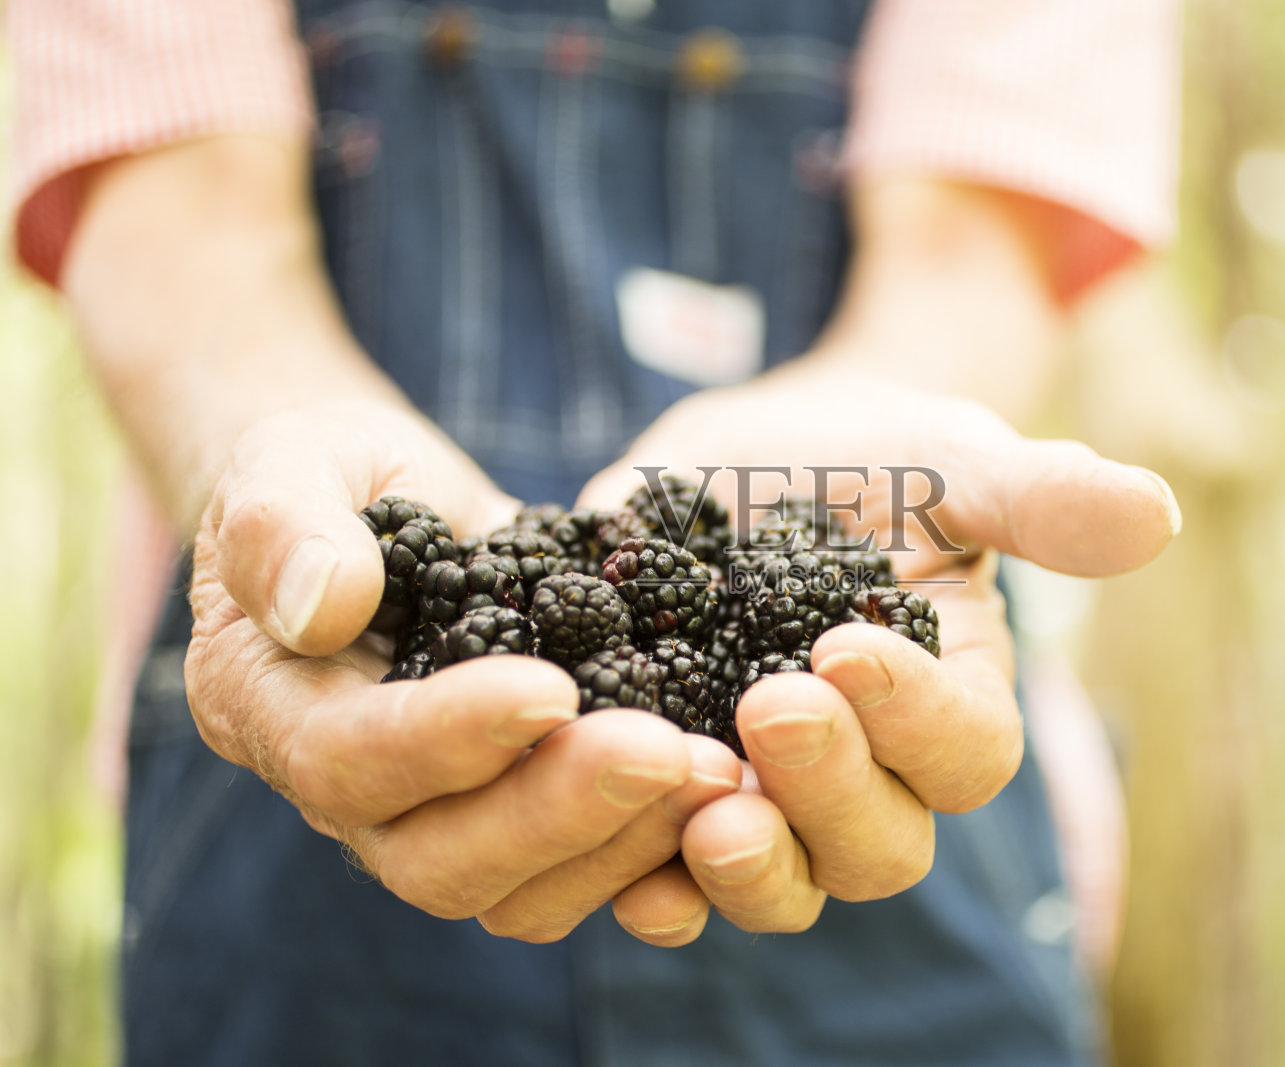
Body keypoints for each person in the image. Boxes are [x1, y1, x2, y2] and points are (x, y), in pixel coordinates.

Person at [9, 1, 1181, 1063]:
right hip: (294, 811)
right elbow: (179, 216)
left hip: (888, 841)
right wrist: (275, 475)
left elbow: (964, 250)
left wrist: (861, 515)